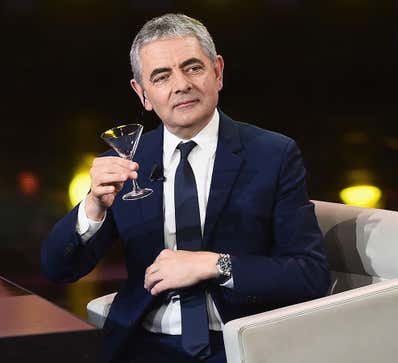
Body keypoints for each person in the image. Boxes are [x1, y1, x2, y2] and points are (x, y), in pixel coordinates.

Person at [41, 13, 330, 363]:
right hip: (141, 345)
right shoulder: (127, 161)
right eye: (161, 76)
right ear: (143, 93)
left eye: (193, 68)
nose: (181, 85)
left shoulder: (272, 155)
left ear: (218, 72)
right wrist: (92, 206)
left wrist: (215, 264)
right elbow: (59, 268)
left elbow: (309, 275)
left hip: (235, 346)